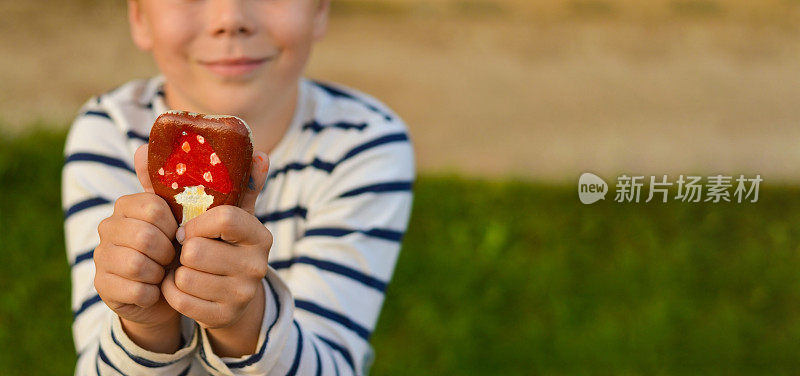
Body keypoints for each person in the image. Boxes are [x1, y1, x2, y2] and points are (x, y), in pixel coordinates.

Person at [61, 0, 414, 374]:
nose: (230, 19)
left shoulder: (363, 144)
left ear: (320, 11)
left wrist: (244, 323)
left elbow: (333, 362)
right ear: (139, 18)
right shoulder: (109, 132)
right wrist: (145, 325)